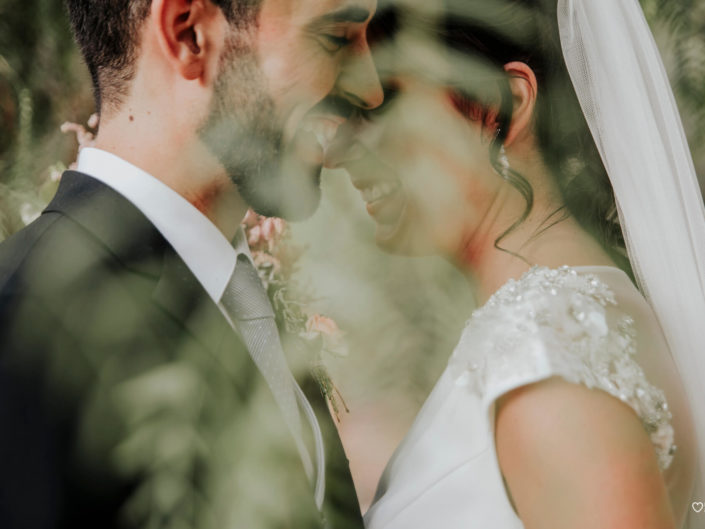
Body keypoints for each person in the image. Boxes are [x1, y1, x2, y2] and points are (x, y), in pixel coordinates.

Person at [0, 0, 383, 528]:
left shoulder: (244, 298)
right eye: (336, 38)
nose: (372, 90)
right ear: (190, 34)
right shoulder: (23, 324)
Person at [328, 0, 705, 527]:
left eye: (383, 103)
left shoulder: (547, 365)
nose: (340, 148)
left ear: (501, 103)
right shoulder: (588, 307)